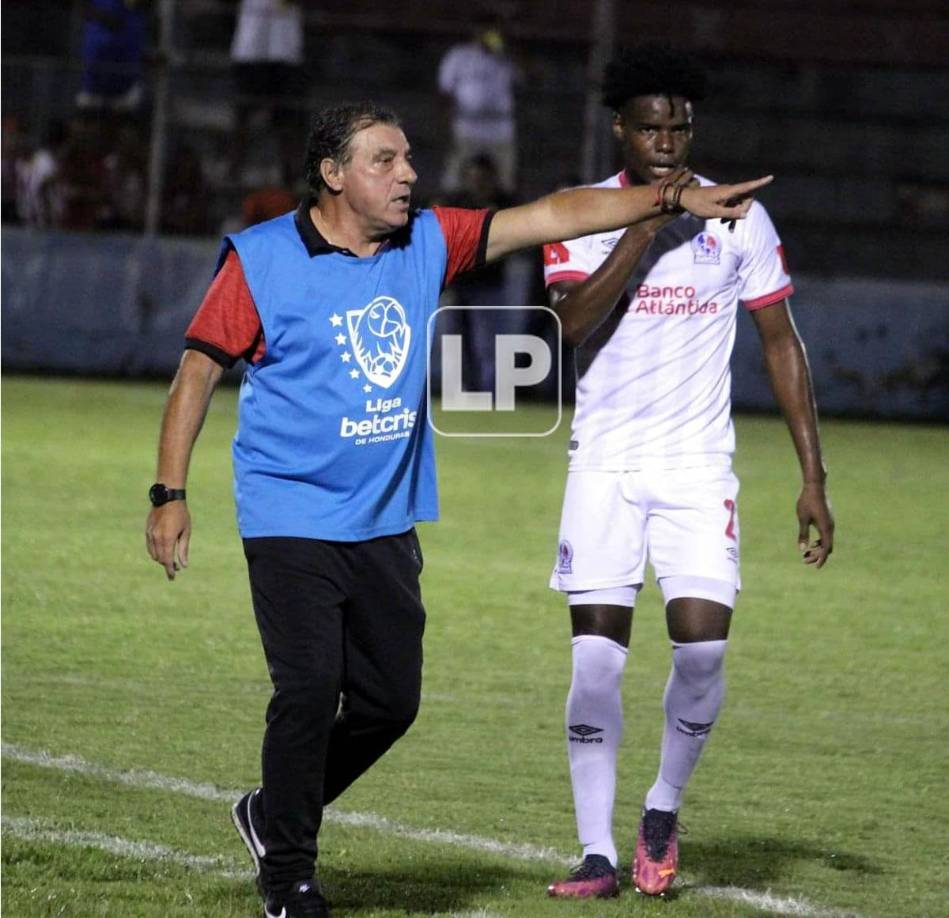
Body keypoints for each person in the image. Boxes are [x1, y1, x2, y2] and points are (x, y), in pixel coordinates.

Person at [144, 100, 771, 918]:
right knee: (307, 690)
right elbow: (197, 370)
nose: (407, 174)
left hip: (385, 520)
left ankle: (270, 811)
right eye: (384, 161)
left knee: (388, 704)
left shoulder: (427, 241)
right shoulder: (261, 259)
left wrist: (665, 201)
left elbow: (553, 213)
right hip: (289, 513)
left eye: (407, 159)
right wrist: (169, 493)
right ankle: (289, 876)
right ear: (333, 175)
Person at [542, 43, 835, 900]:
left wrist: (811, 477)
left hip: (696, 467)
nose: (666, 140)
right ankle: (596, 853)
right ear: (619, 130)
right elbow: (567, 328)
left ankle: (661, 808)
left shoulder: (738, 215)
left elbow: (780, 342)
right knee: (595, 664)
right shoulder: (583, 211)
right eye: (649, 126)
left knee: (702, 649)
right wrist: (647, 221)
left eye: (678, 126)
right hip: (602, 464)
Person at [438, 15, 517, 193]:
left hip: (500, 129)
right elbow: (445, 90)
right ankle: (447, 213)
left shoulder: (505, 57)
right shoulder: (459, 56)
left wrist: (507, 53)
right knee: (455, 178)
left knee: (505, 179)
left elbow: (531, 77)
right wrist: (445, 123)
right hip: (467, 126)